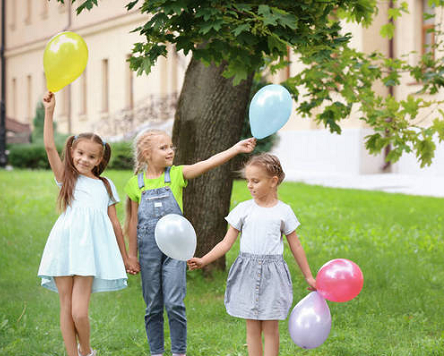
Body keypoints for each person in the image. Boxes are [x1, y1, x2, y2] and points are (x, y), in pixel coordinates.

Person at [124, 129, 256, 356]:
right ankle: (156, 352)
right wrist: (131, 256)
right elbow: (132, 223)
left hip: (175, 252)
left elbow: (207, 163)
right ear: (147, 154)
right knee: (153, 306)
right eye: (163, 147)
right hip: (148, 252)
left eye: (171, 146)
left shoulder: (176, 175)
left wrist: (236, 148)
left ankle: (178, 352)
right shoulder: (135, 184)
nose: (170, 151)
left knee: (174, 303)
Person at [187, 153, 316, 356]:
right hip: (247, 272)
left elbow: (296, 246)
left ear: (273, 181)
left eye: (255, 181)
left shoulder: (284, 211)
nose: (249, 185)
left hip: (273, 275)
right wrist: (204, 260)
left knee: (271, 328)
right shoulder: (243, 210)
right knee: (252, 327)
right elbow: (226, 243)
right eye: (248, 180)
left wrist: (309, 276)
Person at [38, 92, 133, 356]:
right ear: (72, 151)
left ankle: (86, 350)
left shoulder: (105, 185)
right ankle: (72, 353)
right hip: (64, 244)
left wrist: (125, 257)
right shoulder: (66, 177)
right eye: (80, 153)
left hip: (89, 250)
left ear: (100, 160)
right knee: (65, 306)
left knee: (79, 312)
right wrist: (49, 111)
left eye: (91, 156)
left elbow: (115, 224)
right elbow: (48, 147)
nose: (84, 159)